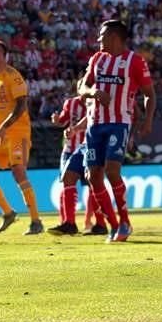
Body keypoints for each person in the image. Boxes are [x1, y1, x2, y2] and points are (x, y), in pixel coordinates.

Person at [78, 20, 156, 242]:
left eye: (102, 36)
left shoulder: (135, 61)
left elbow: (150, 93)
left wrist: (148, 120)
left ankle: (125, 222)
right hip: (94, 125)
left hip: (119, 123)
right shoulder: (97, 59)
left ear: (114, 37)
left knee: (112, 171)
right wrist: (93, 93)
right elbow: (81, 86)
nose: (98, 40)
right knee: (93, 176)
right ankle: (113, 225)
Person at [0, 40, 44, 235]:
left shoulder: (13, 77)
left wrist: (4, 127)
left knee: (19, 172)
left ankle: (35, 221)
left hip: (16, 132)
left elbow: (21, 106)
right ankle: (8, 213)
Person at [48, 85, 107, 236]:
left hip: (93, 144)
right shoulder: (72, 103)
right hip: (74, 148)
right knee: (68, 177)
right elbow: (66, 119)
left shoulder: (98, 99)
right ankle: (69, 222)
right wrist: (69, 127)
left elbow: (94, 116)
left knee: (94, 184)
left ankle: (100, 223)